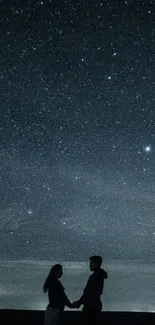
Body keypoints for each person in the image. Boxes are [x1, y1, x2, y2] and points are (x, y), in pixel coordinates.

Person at [72, 255, 108, 324]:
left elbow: (89, 292)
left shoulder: (95, 277)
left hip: (91, 306)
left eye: (91, 263)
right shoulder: (99, 276)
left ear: (96, 264)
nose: (89, 265)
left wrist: (80, 302)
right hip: (94, 304)